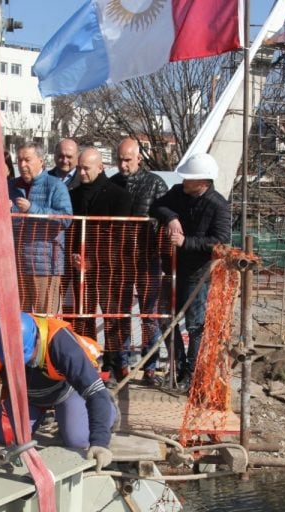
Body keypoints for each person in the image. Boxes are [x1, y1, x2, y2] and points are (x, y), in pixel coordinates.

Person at [0, 312, 116, 471]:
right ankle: (43, 417)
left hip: (65, 394)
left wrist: (100, 442)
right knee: (6, 438)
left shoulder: (61, 343)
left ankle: (111, 412)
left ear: (36, 339)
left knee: (77, 440)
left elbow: (95, 393)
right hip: (24, 398)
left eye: (24, 358)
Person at [150, 153, 231, 389]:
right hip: (173, 269)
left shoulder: (218, 205)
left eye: (189, 179)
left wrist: (186, 242)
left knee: (195, 326)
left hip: (199, 273)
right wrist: (172, 217)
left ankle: (192, 374)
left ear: (203, 182)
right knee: (166, 319)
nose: (183, 181)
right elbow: (157, 205)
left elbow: (221, 240)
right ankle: (177, 367)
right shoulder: (178, 192)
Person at [69, 148, 133, 387]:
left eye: (86, 168)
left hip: (109, 268)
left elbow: (118, 237)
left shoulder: (120, 196)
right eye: (79, 168)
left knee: (112, 317)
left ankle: (115, 363)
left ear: (100, 167)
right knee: (84, 316)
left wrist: (93, 261)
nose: (82, 172)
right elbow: (71, 232)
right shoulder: (73, 195)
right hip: (79, 267)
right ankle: (89, 359)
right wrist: (76, 258)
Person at [110, 138, 168, 386]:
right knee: (119, 314)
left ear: (138, 159)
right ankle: (120, 363)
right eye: (120, 160)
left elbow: (167, 213)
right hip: (119, 260)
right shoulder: (112, 185)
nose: (123, 165)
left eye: (127, 160)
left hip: (148, 259)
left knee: (149, 315)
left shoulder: (155, 184)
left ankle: (150, 367)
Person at [9, 141, 72, 314]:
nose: (22, 165)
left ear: (41, 160)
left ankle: (45, 343)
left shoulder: (55, 186)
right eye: (19, 160)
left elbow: (66, 218)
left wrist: (32, 209)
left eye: (27, 160)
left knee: (45, 318)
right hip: (16, 264)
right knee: (20, 319)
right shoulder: (11, 186)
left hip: (45, 265)